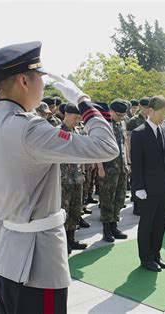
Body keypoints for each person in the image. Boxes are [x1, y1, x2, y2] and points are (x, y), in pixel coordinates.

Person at [0, 41, 119, 313]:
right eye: (40, 77)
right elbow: (107, 147)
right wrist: (83, 101)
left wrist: (11, 240)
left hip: (5, 259)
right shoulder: (30, 129)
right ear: (23, 81)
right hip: (37, 267)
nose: (43, 84)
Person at [131, 95, 165, 272]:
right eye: (161, 112)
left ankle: (156, 253)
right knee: (147, 223)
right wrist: (138, 186)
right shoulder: (139, 133)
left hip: (163, 186)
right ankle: (146, 257)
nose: (163, 116)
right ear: (150, 111)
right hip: (147, 188)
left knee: (160, 222)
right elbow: (136, 162)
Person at [58, 103, 89, 254]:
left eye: (79, 118)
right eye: (75, 117)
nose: (77, 120)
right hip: (63, 179)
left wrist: (82, 171)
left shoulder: (77, 130)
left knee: (76, 210)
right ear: (67, 114)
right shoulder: (57, 131)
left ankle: (71, 238)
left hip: (77, 177)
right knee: (64, 211)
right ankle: (62, 243)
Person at [97, 99, 130, 242]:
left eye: (124, 115)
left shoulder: (122, 123)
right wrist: (100, 167)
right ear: (111, 111)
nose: (122, 117)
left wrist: (128, 162)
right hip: (108, 168)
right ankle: (106, 229)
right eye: (119, 114)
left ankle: (114, 225)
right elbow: (96, 147)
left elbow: (125, 143)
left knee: (119, 197)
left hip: (121, 167)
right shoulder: (104, 125)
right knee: (107, 199)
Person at [126, 96, 150, 216]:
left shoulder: (150, 120)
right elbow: (128, 141)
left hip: (148, 156)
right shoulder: (133, 121)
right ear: (140, 106)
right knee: (136, 180)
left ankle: (144, 203)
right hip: (136, 155)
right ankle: (137, 205)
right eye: (146, 107)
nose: (148, 109)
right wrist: (130, 159)